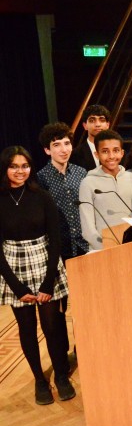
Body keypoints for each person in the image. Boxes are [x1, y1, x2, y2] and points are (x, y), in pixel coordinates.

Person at [0, 146, 75, 405]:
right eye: (14, 166)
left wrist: (47, 282)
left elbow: (55, 239)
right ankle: (40, 381)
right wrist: (16, 287)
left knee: (52, 326)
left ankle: (61, 376)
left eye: (24, 166)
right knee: (27, 329)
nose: (20, 171)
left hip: (45, 263)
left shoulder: (41, 196)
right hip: (13, 267)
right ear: (5, 169)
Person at [78, 130, 132, 251]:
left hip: (131, 249)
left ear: (122, 153)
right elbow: (88, 229)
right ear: (96, 154)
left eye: (115, 150)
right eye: (105, 151)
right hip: (102, 252)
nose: (111, 156)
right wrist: (107, 249)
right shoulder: (87, 183)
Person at [37, 122, 89, 261]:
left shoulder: (81, 172)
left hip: (84, 243)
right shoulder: (40, 178)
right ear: (47, 150)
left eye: (67, 143)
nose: (64, 149)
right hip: (60, 247)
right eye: (57, 145)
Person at [69, 104, 111, 171]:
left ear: (107, 125)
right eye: (92, 120)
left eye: (102, 120)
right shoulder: (75, 154)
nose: (98, 124)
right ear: (85, 125)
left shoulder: (117, 151)